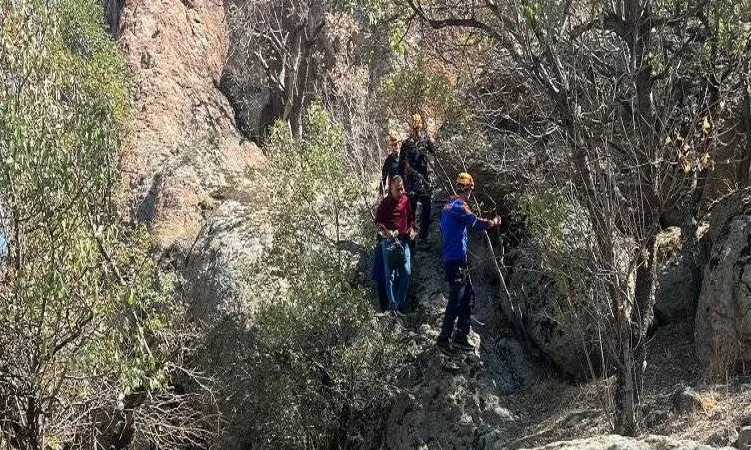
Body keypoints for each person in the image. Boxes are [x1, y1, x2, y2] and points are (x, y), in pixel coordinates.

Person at [437, 172, 501, 352]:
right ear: (468, 190)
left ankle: (461, 336)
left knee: (467, 295)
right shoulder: (459, 206)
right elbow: (476, 223)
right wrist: (493, 222)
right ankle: (444, 339)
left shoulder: (448, 205)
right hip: (455, 259)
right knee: (456, 299)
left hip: (454, 259)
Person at [375, 176, 416, 314]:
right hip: (389, 243)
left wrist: (412, 230)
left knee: (406, 272)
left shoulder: (405, 200)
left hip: (404, 241)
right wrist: (386, 232)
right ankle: (393, 306)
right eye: (398, 189)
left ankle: (399, 305)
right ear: (391, 189)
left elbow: (411, 219)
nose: (401, 191)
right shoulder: (385, 204)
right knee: (390, 276)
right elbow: (378, 223)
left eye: (402, 187)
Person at [399, 113, 435, 247]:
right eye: (414, 124)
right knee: (411, 210)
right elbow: (401, 164)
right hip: (411, 183)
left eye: (417, 124)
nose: (416, 127)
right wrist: (400, 182)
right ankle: (411, 237)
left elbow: (434, 152)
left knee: (426, 209)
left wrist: (431, 141)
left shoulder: (425, 140)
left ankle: (423, 237)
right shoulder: (406, 143)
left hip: (424, 181)